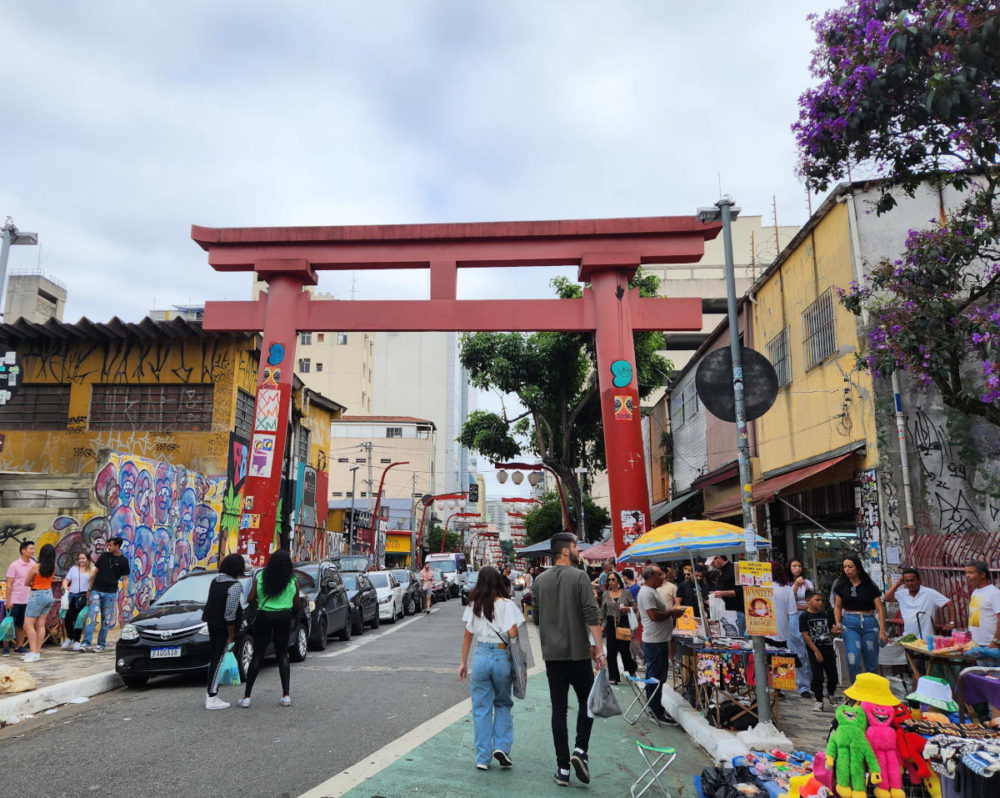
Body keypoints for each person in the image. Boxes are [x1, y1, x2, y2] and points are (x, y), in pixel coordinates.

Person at [533, 531, 605, 788]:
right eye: (575, 547)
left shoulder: (539, 581)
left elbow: (537, 618)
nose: (579, 551)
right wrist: (599, 650)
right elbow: (591, 614)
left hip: (553, 657)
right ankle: (580, 750)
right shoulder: (580, 577)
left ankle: (563, 768)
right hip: (578, 655)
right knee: (588, 705)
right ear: (565, 550)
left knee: (558, 711)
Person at [458, 565, 525, 771]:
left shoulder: (473, 605)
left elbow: (468, 636)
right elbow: (513, 634)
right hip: (501, 655)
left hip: (480, 656)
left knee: (481, 708)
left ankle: (482, 757)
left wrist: (463, 663)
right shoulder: (507, 604)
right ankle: (502, 747)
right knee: (503, 703)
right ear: (498, 582)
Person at [240, 549, 300, 708]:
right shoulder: (292, 581)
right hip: (284, 617)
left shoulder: (261, 577)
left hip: (264, 616)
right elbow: (297, 604)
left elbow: (250, 598)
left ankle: (246, 697)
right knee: (282, 655)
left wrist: (258, 607)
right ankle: (286, 695)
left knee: (258, 654)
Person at [636, 563, 684, 724]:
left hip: (659, 640)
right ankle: (656, 711)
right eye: (659, 574)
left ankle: (654, 708)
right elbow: (653, 616)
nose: (663, 576)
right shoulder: (647, 593)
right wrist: (671, 612)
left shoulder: (652, 591)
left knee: (656, 677)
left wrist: (672, 615)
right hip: (655, 642)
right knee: (656, 677)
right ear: (650, 576)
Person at [832, 554, 887, 681]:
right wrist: (838, 623)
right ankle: (856, 691)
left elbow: (879, 609)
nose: (847, 570)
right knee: (853, 659)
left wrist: (882, 631)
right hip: (849, 623)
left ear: (857, 568)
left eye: (850, 567)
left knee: (871, 660)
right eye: (845, 567)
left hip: (869, 622)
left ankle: (871, 693)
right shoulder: (840, 585)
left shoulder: (870, 585)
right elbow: (837, 606)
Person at [202, 553, 245, 710]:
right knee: (219, 659)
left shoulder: (216, 581)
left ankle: (211, 693)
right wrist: (231, 636)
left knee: (214, 658)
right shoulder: (235, 586)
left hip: (212, 623)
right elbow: (230, 613)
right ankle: (212, 696)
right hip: (223, 627)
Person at [81, 536, 130, 653]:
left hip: (110, 593)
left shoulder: (124, 561)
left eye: (111, 545)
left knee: (106, 619)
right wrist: (89, 589)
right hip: (96, 591)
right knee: (91, 616)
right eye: (109, 544)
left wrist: (125, 596)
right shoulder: (103, 556)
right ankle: (86, 643)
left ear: (117, 546)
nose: (109, 546)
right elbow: (94, 573)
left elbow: (125, 579)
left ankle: (101, 644)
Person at [884, 567, 954, 639]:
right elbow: (886, 598)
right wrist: (897, 584)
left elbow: (949, 603)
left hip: (926, 638)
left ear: (919, 580)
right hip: (908, 637)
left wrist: (951, 622)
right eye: (907, 581)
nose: (910, 583)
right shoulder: (902, 594)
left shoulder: (929, 593)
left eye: (912, 580)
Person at [799, 589, 838, 712]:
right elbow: (805, 635)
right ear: (808, 601)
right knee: (817, 676)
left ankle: (831, 694)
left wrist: (834, 631)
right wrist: (816, 651)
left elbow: (829, 631)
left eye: (821, 600)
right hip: (814, 650)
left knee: (833, 675)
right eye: (817, 600)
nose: (820, 602)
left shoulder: (825, 614)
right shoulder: (804, 616)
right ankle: (819, 700)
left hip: (828, 648)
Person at [599, 571, 637, 684]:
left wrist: (628, 609)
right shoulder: (605, 594)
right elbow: (602, 611)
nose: (611, 582)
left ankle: (631, 670)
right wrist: (600, 625)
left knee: (625, 650)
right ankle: (613, 677)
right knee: (611, 652)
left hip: (623, 622)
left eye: (613, 579)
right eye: (609, 580)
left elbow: (634, 607)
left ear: (618, 581)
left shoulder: (626, 593)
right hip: (611, 623)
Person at [21, 543, 57, 662]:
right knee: (40, 624)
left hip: (37, 595)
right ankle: (37, 652)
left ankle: (33, 652)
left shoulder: (36, 566)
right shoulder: (53, 566)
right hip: (48, 594)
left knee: (28, 625)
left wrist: (33, 584)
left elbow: (27, 582)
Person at [787, 559, 815, 697]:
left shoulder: (808, 583)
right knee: (798, 652)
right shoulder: (786, 584)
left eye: (799, 565)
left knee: (811, 649)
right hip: (794, 618)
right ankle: (802, 685)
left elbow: (813, 601)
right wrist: (796, 586)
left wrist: (799, 606)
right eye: (794, 566)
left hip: (809, 616)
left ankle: (812, 681)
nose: (797, 568)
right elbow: (789, 602)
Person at [5, 541, 36, 655]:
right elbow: (9, 584)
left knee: (21, 624)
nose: (33, 551)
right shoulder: (14, 565)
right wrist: (8, 601)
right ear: (23, 550)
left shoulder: (33, 564)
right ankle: (6, 647)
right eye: (31, 549)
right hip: (14, 599)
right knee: (9, 624)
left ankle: (19, 646)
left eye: (33, 549)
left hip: (26, 599)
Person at [62, 552, 94, 651]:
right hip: (72, 596)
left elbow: (92, 584)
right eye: (79, 558)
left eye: (83, 558)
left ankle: (77, 640)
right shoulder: (73, 569)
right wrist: (65, 586)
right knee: (68, 618)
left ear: (87, 559)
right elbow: (66, 580)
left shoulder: (92, 570)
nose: (81, 560)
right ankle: (70, 637)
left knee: (79, 620)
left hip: (84, 596)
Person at [964, 560, 1000, 649]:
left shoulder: (994, 593)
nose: (967, 576)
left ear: (983, 575)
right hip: (976, 644)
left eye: (971, 572)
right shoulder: (975, 592)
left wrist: (996, 640)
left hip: (990, 645)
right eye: (966, 573)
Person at [710, 554, 745, 636]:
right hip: (726, 613)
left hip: (737, 612)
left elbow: (741, 590)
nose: (712, 565)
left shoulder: (734, 569)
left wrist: (723, 593)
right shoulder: (721, 572)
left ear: (719, 558)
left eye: (712, 562)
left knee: (738, 640)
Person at [767, 561, 798, 648]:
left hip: (763, 631)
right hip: (782, 631)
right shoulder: (787, 589)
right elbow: (792, 611)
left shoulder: (761, 587)